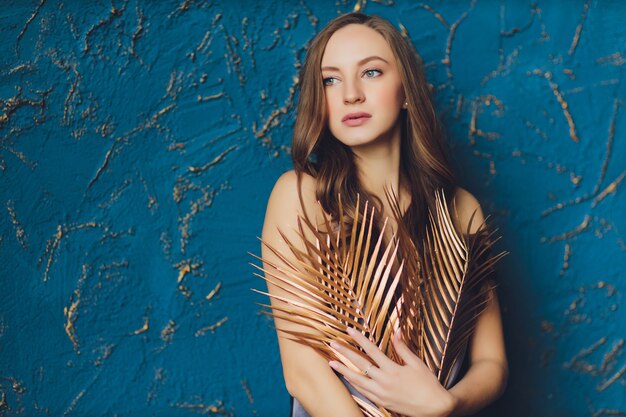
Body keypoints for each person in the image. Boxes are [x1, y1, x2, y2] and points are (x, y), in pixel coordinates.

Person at [260, 12, 508, 417]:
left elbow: (492, 363)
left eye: (371, 72)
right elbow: (302, 370)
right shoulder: (303, 196)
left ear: (407, 91)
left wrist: (446, 404)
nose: (350, 94)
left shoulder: (461, 210)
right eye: (330, 80)